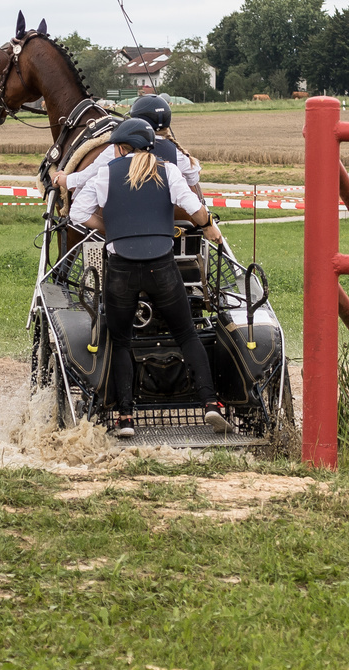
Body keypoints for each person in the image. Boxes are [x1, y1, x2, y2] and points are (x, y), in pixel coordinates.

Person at [68, 118, 229, 438]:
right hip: (162, 268)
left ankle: (126, 418)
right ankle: (211, 403)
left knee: (122, 339)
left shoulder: (105, 173)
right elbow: (194, 208)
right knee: (186, 334)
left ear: (118, 147)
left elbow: (76, 213)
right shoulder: (167, 171)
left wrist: (109, 228)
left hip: (121, 270)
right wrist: (210, 225)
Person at [51, 95, 202, 198]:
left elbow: (84, 179)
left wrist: (62, 179)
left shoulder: (118, 150)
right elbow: (193, 177)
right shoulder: (177, 153)